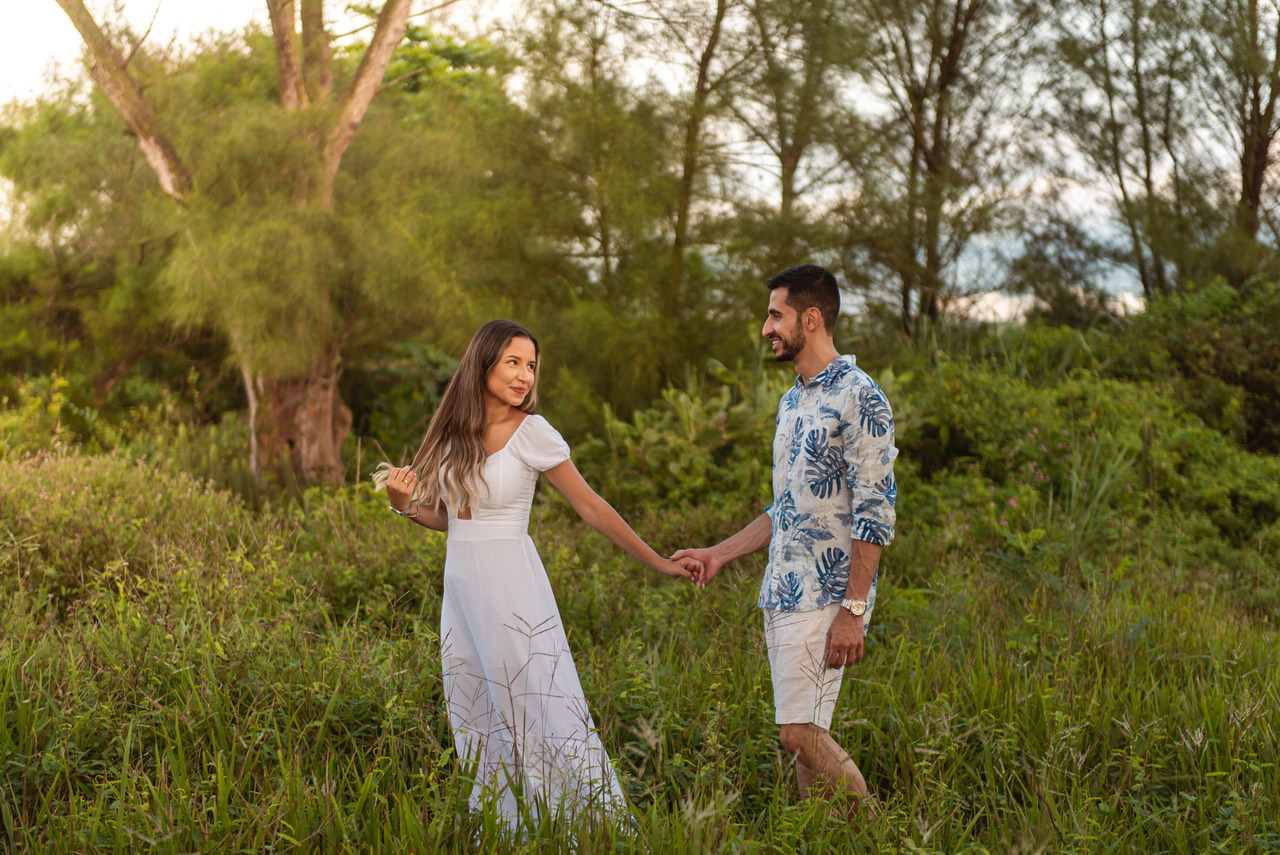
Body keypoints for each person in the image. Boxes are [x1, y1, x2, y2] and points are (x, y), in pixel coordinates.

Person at [377, 319, 698, 827]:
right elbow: (449, 519)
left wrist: (657, 561)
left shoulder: (533, 431)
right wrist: (403, 505)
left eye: (531, 365)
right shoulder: (450, 433)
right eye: (514, 362)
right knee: (477, 715)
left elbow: (591, 507)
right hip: (462, 592)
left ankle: (591, 830)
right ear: (483, 364)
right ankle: (507, 831)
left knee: (542, 709)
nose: (525, 375)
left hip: (511, 586)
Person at [674, 265, 897, 811]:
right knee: (806, 740)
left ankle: (880, 837)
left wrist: (853, 610)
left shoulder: (860, 396)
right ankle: (819, 839)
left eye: (776, 315)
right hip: (782, 590)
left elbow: (875, 513)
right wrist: (719, 554)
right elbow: (787, 508)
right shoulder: (793, 401)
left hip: (827, 595)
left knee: (798, 734)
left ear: (811, 318)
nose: (766, 328)